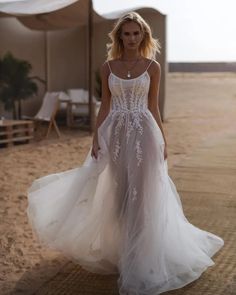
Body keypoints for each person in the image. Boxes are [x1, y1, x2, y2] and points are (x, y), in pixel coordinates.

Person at [27, 11, 224, 295]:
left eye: (136, 33)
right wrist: (96, 137)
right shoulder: (108, 67)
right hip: (115, 135)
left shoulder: (152, 67)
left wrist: (163, 140)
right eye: (126, 33)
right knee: (120, 195)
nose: (131, 38)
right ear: (119, 36)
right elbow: (104, 105)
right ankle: (123, 251)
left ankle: (142, 258)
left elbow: (153, 106)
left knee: (143, 196)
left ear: (143, 35)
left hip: (144, 134)